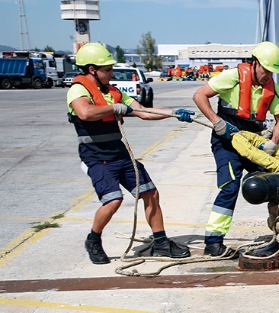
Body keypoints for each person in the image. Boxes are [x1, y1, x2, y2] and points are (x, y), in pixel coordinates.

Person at [68, 43, 196, 264]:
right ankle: (93, 240)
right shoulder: (78, 90)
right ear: (91, 70)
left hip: (121, 155)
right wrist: (113, 108)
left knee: (151, 194)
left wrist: (174, 113)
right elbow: (86, 113)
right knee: (113, 200)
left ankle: (161, 243)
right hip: (98, 158)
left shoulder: (113, 93)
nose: (112, 73)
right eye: (107, 69)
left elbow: (144, 112)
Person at [192, 41, 279, 256]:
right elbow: (200, 95)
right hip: (227, 142)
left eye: (273, 72)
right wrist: (217, 122)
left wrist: (272, 143)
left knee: (277, 183)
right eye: (266, 70)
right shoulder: (232, 77)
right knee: (230, 187)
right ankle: (213, 242)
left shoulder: (272, 88)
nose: (268, 76)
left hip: (253, 143)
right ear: (255, 64)